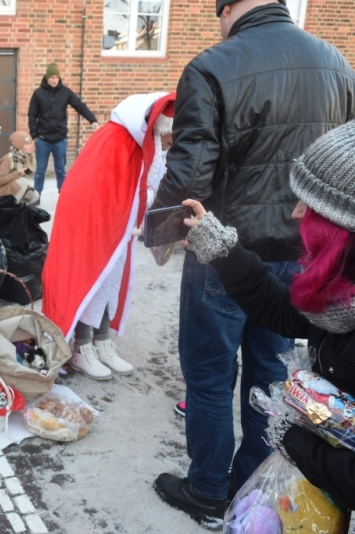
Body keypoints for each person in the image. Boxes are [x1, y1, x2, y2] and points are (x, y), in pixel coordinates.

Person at [149, 0, 355, 529]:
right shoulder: (338, 63)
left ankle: (207, 488)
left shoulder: (213, 65)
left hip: (227, 252)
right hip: (312, 256)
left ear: (226, 10)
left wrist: (162, 231)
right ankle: (251, 483)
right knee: (273, 373)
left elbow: (191, 169)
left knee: (211, 374)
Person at [179, 119, 355, 514]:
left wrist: (294, 440)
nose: (295, 214)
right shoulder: (344, 296)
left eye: (310, 206)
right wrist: (223, 249)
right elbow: (284, 312)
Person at [42, 92, 175, 380]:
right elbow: (110, 190)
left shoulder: (141, 143)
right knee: (91, 280)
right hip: (93, 223)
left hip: (115, 225)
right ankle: (82, 347)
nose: (169, 146)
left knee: (109, 283)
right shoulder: (117, 140)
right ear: (160, 129)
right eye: (169, 139)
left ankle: (101, 341)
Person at [27, 62, 100, 195]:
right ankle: (36, 197)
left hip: (60, 140)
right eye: (52, 78)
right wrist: (35, 137)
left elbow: (80, 106)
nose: (54, 80)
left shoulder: (65, 92)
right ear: (46, 78)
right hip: (42, 140)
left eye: (57, 77)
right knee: (40, 172)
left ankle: (63, 197)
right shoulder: (38, 94)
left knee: (61, 171)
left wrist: (93, 120)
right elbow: (32, 116)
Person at [0, 131, 39, 205]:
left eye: (30, 143)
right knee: (23, 182)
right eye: (27, 144)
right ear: (20, 145)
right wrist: (18, 173)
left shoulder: (24, 158)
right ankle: (11, 208)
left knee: (35, 195)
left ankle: (19, 207)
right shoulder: (9, 158)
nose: (30, 146)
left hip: (10, 187)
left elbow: (19, 181)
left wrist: (30, 189)